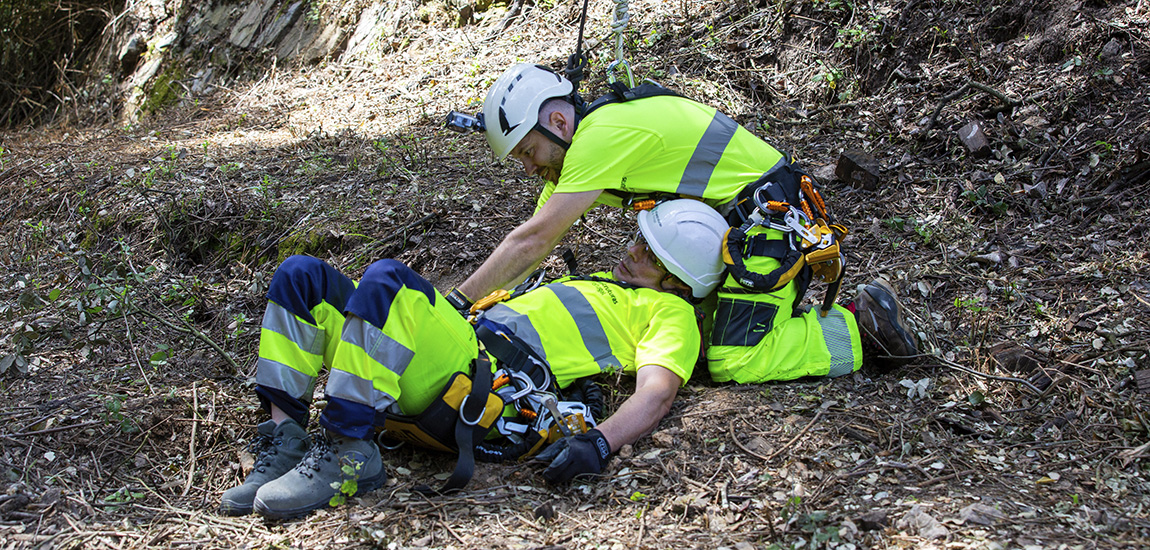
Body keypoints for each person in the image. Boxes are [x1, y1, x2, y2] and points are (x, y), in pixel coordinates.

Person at [219, 199, 730, 520]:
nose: (633, 250)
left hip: (481, 385)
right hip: (453, 353)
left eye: (650, 253)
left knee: (389, 281)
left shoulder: (671, 314)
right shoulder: (606, 284)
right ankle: (285, 440)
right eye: (639, 239)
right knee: (301, 276)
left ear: (678, 281)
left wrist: (600, 442)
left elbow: (657, 394)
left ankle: (347, 449)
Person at [447, 63, 919, 385]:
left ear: (557, 120)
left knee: (733, 358)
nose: (529, 168)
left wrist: (456, 304)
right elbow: (532, 242)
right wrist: (483, 303)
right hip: (747, 226)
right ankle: (779, 320)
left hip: (772, 221)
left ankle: (861, 327)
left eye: (528, 152)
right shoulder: (579, 153)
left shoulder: (601, 137)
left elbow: (532, 241)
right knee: (701, 340)